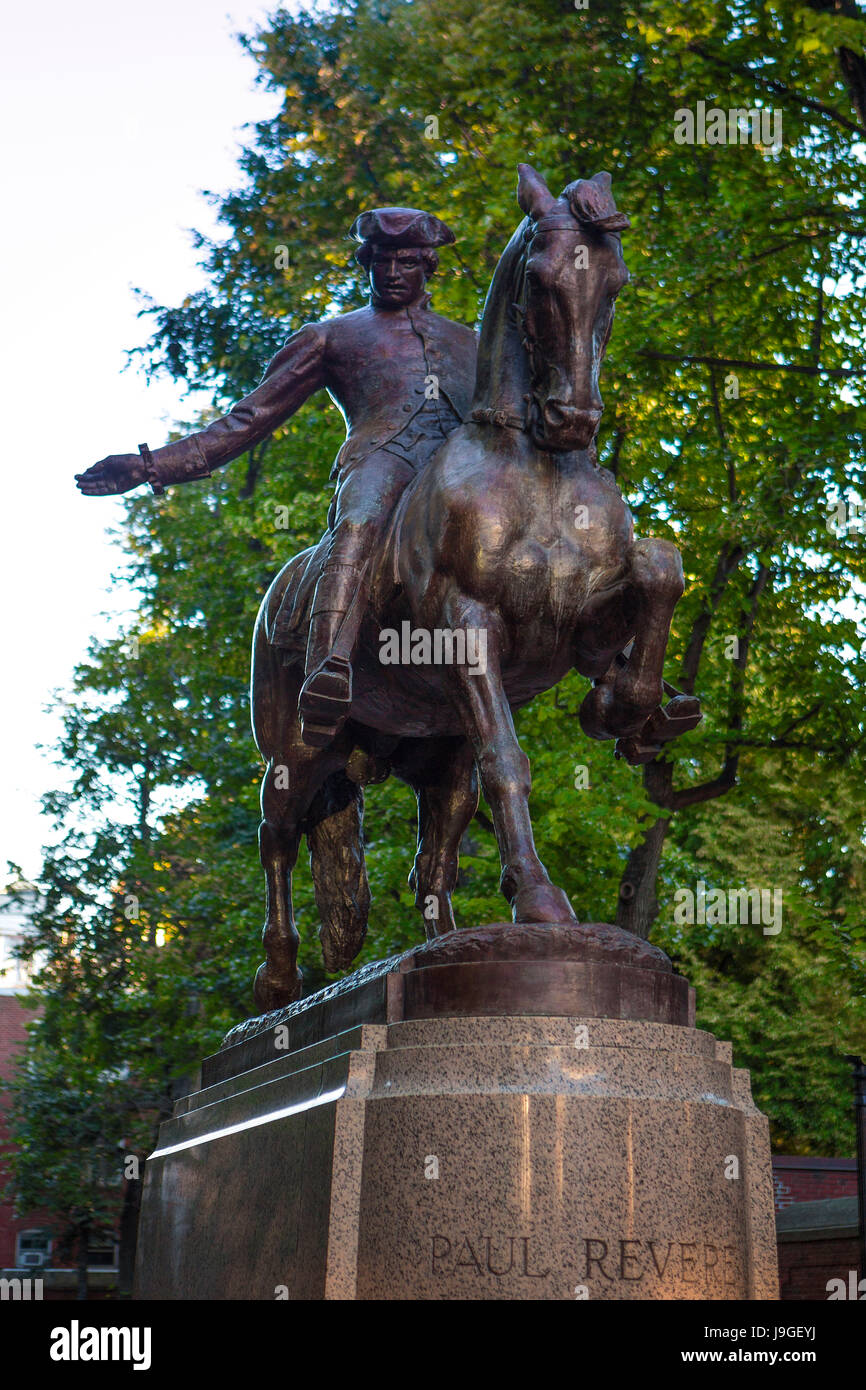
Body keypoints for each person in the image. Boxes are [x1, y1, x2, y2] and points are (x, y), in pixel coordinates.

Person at [76, 207, 478, 745]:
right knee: (359, 521)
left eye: (406, 260)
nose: (392, 271)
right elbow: (248, 420)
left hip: (462, 471)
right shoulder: (330, 337)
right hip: (385, 459)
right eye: (380, 260)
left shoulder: (470, 341)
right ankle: (329, 665)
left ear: (427, 265)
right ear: (366, 264)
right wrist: (152, 466)